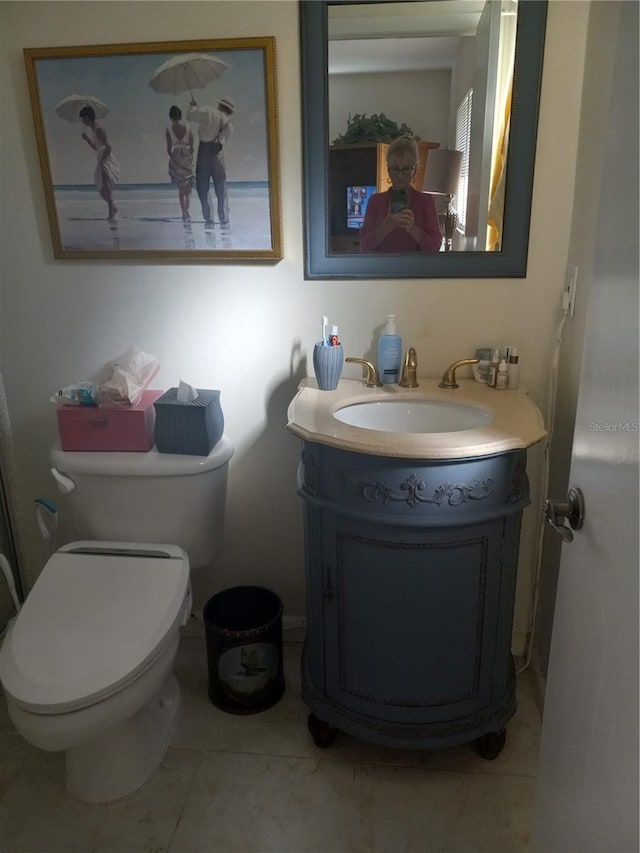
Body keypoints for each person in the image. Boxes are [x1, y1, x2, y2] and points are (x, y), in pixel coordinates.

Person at [359, 136, 441, 252]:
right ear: (388, 170)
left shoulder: (426, 201)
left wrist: (413, 228)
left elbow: (435, 247)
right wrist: (386, 226)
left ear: (415, 171)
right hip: (383, 268)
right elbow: (364, 246)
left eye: (406, 169)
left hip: (416, 268)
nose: (400, 176)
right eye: (396, 169)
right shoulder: (375, 201)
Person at [187, 95, 234, 226]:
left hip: (204, 150)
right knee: (221, 186)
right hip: (218, 152)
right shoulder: (229, 125)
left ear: (219, 105)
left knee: (202, 185)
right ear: (229, 110)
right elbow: (225, 139)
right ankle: (223, 217)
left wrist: (192, 106)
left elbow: (190, 116)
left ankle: (208, 217)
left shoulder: (208, 111)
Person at [79, 106, 119, 221]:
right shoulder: (93, 130)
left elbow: (108, 147)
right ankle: (113, 208)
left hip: (106, 159)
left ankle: (111, 213)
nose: (83, 121)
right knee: (101, 187)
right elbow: (96, 147)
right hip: (101, 158)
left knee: (105, 186)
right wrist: (86, 139)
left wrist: (102, 161)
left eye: (83, 119)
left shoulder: (99, 129)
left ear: (87, 117)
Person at [166, 105, 195, 222]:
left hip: (176, 158)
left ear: (171, 117)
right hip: (187, 158)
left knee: (181, 189)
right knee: (188, 189)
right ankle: (187, 211)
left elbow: (168, 149)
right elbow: (192, 146)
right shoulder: (188, 129)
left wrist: (174, 158)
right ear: (180, 116)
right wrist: (188, 157)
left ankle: (183, 211)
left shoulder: (169, 130)